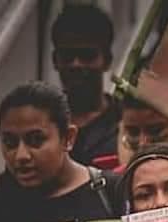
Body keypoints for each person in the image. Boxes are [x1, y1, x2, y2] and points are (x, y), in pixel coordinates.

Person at [0, 82, 119, 222]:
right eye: (10, 142)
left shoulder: (113, 193)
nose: (21, 156)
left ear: (68, 138)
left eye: (35, 140)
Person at [50, 3, 120, 166]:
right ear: (55, 60)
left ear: (107, 60)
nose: (76, 65)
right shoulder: (42, 122)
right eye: (68, 56)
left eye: (87, 55)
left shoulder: (126, 124)